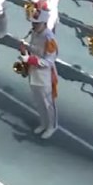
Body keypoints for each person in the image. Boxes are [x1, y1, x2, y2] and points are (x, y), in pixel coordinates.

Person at [19, 8, 59, 139]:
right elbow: (34, 48)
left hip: (45, 75)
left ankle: (52, 126)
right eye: (33, 23)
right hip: (34, 72)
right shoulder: (34, 33)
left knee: (48, 103)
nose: (33, 25)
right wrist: (25, 49)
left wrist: (31, 59)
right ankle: (43, 122)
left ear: (44, 23)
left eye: (37, 23)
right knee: (38, 101)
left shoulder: (49, 38)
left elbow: (49, 62)